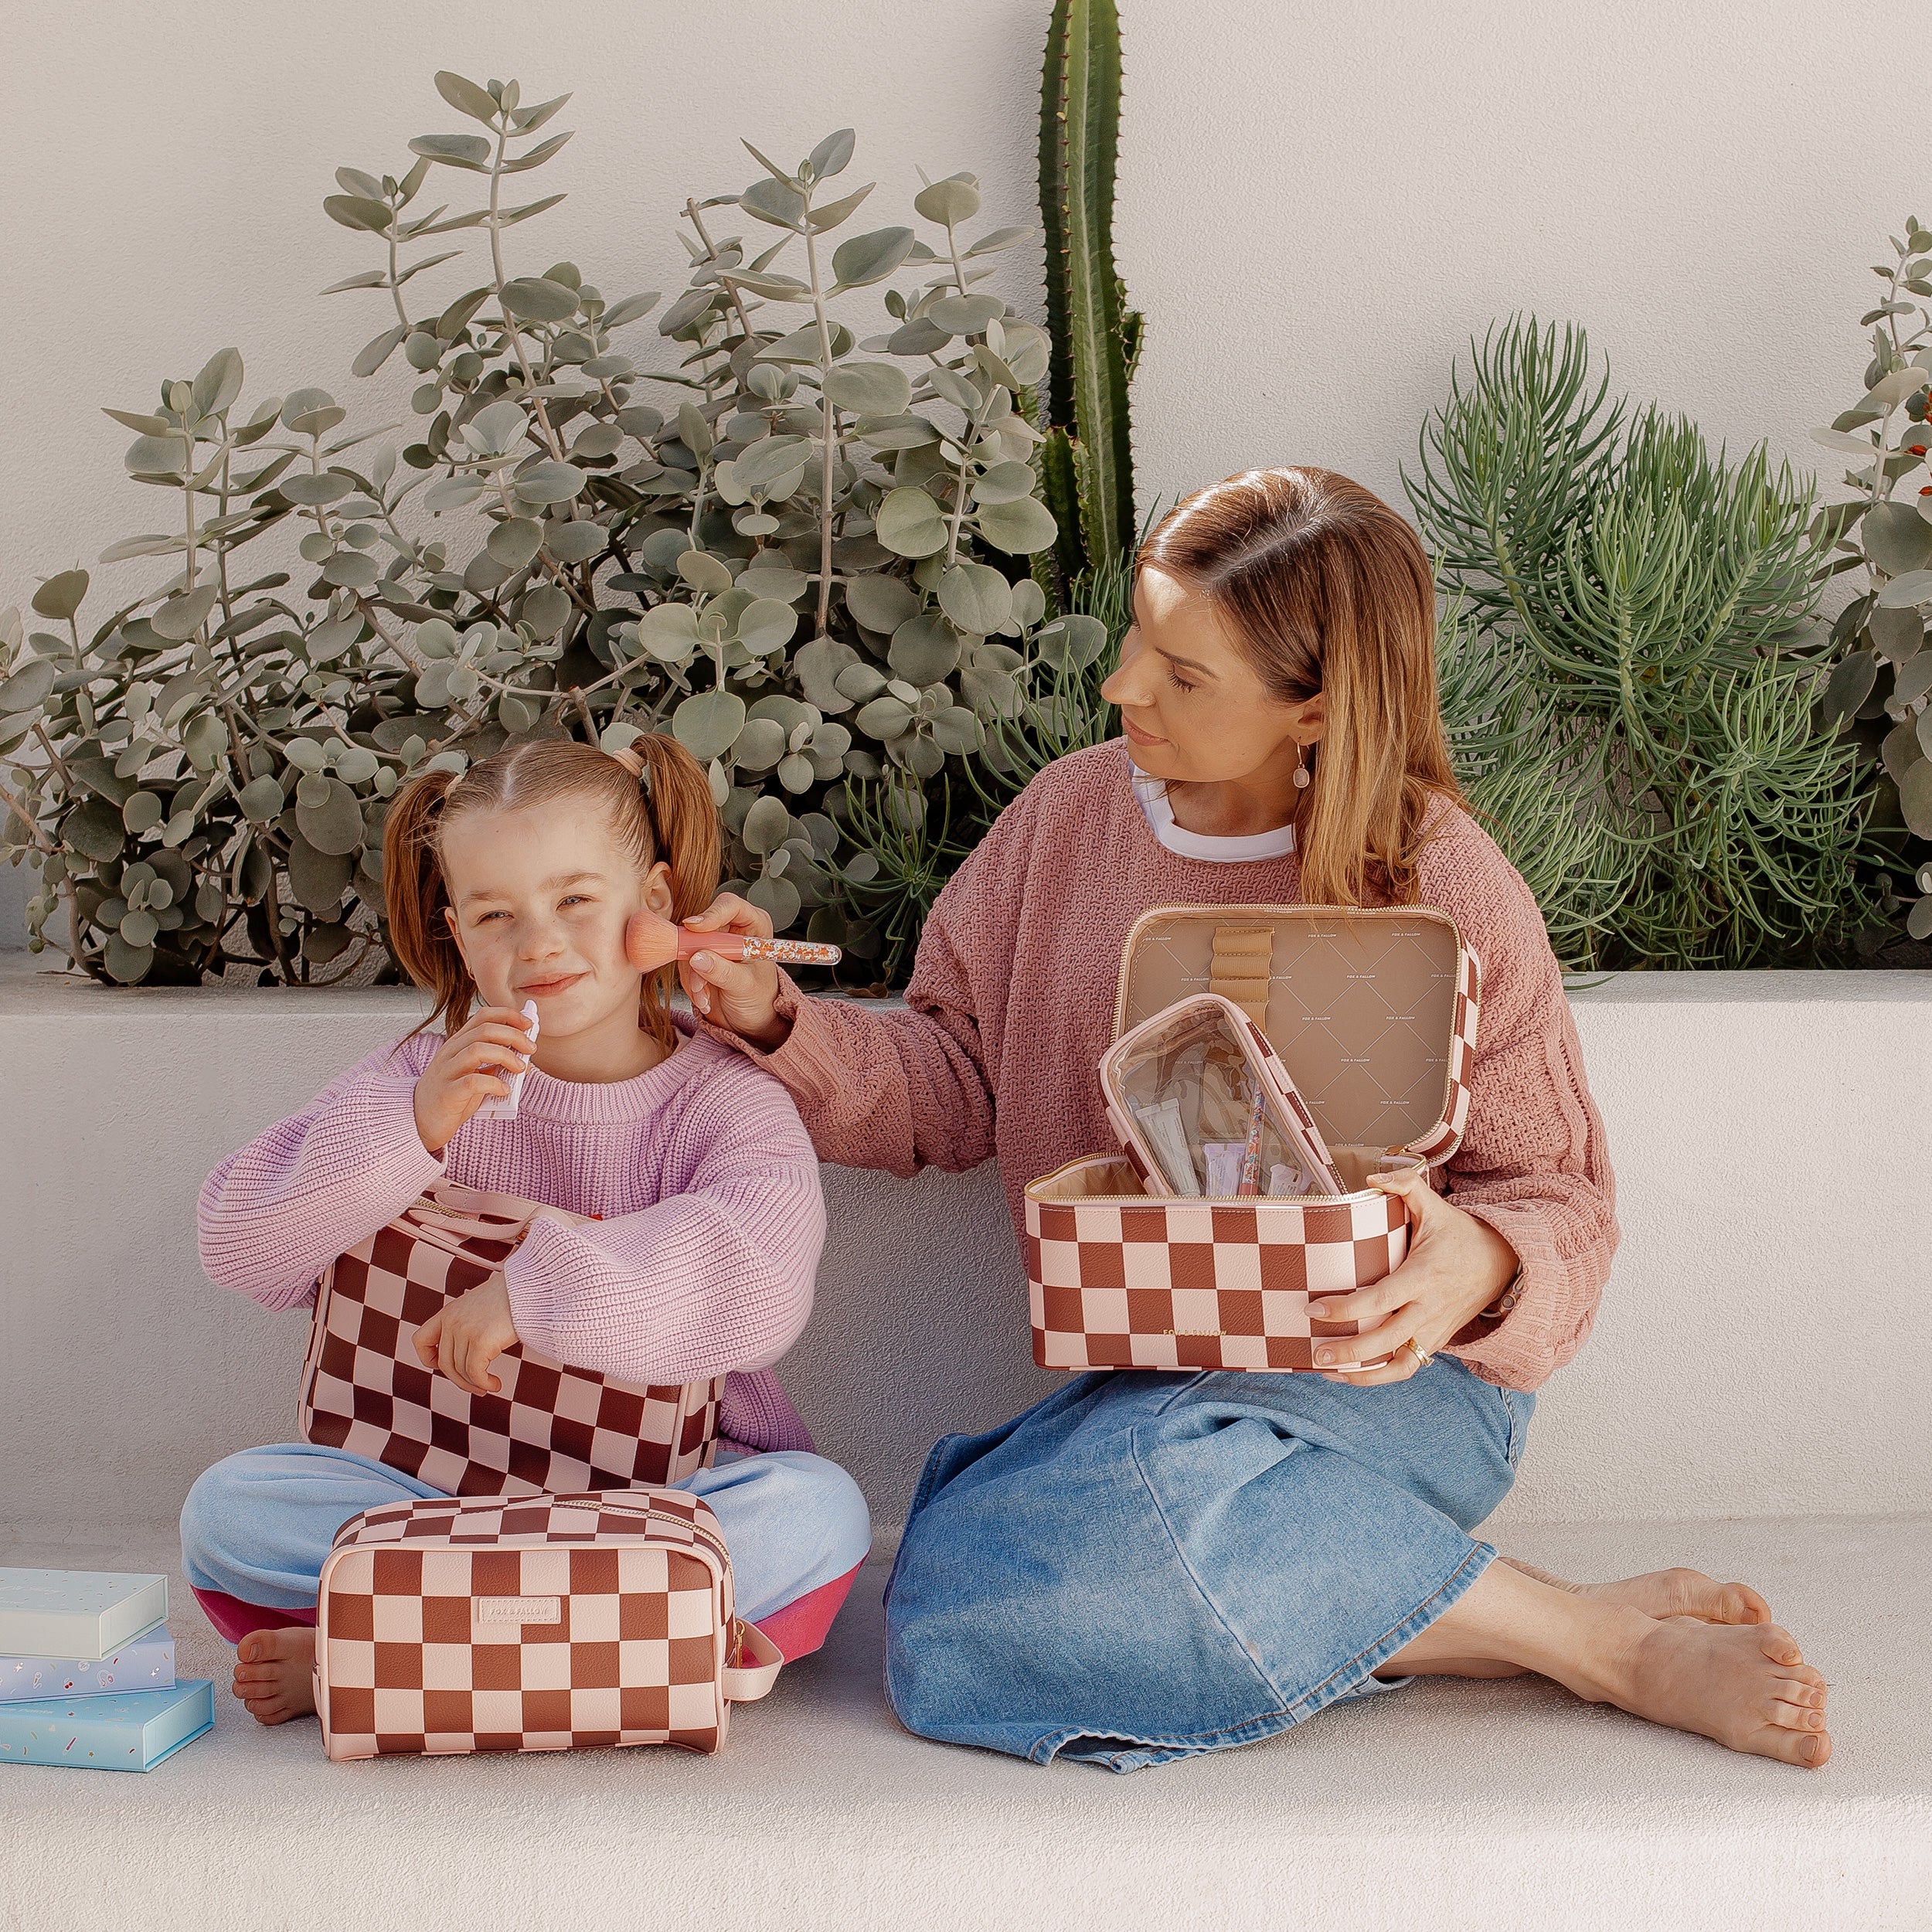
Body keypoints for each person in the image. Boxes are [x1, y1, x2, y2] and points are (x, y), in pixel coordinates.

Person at [675, 468, 1831, 1772]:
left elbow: (1560, 1197)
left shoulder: (1445, 878)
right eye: (1135, 642)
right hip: (1158, 1387)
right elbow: (952, 1082)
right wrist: (774, 1018)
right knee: (944, 1588)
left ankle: (1597, 1648)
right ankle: (1515, 1612)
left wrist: (1481, 1260)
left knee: (1098, 1515)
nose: (1124, 689)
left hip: (1387, 1381)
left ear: (1317, 708)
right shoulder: (1064, 824)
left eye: (1182, 673)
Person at [180, 733, 870, 1726]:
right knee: (228, 1511)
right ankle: (629, 1644)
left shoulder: (725, 1104)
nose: (539, 942)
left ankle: (380, 1653)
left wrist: (532, 1292)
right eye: (498, 915)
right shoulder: (417, 1082)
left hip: (650, 1497)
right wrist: (408, 1130)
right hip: (424, 1491)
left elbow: (759, 1285)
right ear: (460, 935)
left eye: (576, 900)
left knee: (817, 1511)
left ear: (660, 908)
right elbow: (235, 1245)